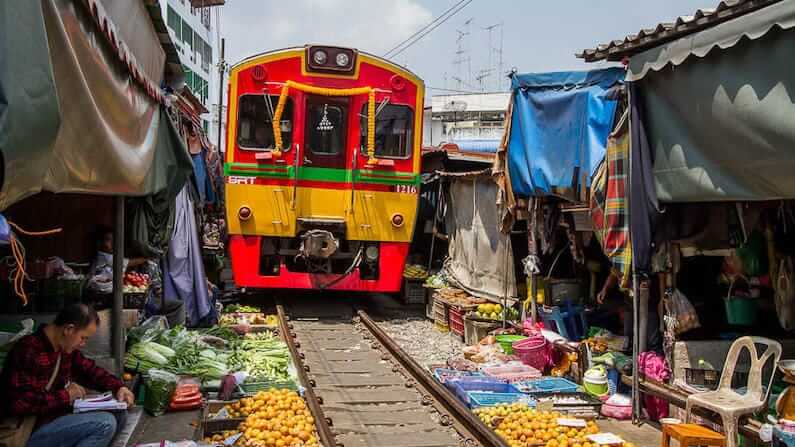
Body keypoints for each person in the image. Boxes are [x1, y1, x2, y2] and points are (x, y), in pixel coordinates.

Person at [0, 304, 134, 447]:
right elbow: (21, 403)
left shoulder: (63, 348)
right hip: (26, 432)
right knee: (105, 423)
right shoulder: (28, 350)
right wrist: (66, 396)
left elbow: (89, 370)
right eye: (83, 338)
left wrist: (118, 387)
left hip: (52, 419)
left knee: (120, 414)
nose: (83, 344)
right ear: (68, 329)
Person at [597, 271, 662, 353]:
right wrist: (604, 289)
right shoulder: (621, 261)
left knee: (652, 340)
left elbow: (661, 275)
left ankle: (653, 359)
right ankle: (631, 359)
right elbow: (614, 271)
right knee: (628, 338)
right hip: (630, 301)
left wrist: (662, 298)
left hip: (648, 299)